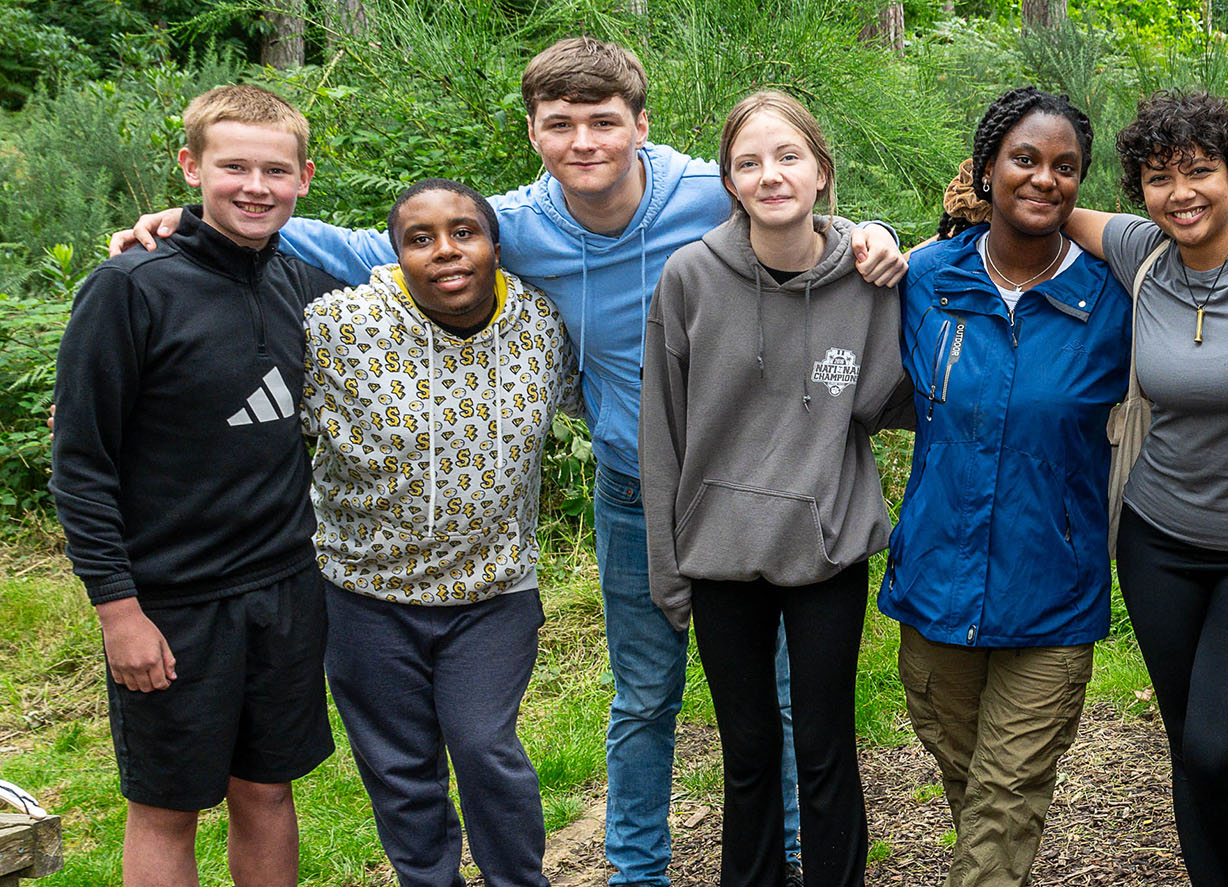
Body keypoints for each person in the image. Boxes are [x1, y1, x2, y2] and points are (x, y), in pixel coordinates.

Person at [111, 39, 905, 887]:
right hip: (640, 490)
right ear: (534, 134)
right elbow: (363, 244)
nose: (584, 141)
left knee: (790, 706)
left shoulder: (709, 188)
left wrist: (876, 234)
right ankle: (639, 870)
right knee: (645, 698)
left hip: (781, 492)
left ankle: (795, 856)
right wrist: (189, 224)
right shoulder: (512, 227)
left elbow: (800, 204)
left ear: (641, 125)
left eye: (604, 121)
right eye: (560, 124)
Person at [51, 84, 343, 887]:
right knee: (167, 805)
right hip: (172, 600)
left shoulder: (308, 288)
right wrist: (118, 612)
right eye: (234, 167)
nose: (257, 186)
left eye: (275, 170)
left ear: (304, 177)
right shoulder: (129, 289)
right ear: (191, 167)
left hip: (285, 588)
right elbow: (81, 463)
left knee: (266, 788)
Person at [1057, 87, 1228, 887]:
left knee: (1223, 747)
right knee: (1189, 740)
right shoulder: (1136, 250)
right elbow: (1042, 202)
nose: (1180, 193)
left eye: (1199, 171)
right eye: (1158, 176)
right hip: (1158, 542)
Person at [640, 89, 905, 887]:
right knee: (748, 748)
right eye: (748, 163)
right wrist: (669, 567)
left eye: (788, 157)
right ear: (729, 182)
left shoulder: (869, 274)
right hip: (720, 552)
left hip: (826, 547)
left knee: (826, 743)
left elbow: (888, 398)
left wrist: (891, 246)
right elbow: (663, 434)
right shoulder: (689, 277)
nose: (770, 175)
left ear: (823, 172)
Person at [881, 86, 1126, 887]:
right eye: (1025, 159)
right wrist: (864, 233)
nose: (1044, 178)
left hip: (1052, 593)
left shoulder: (1111, 298)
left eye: (1066, 166)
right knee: (979, 789)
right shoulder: (924, 278)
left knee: (1007, 790)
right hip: (935, 588)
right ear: (987, 168)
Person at [303, 178, 577, 887]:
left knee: (485, 746)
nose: (446, 251)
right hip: (364, 594)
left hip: (493, 590)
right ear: (398, 254)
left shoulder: (544, 324)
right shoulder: (337, 325)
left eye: (465, 231)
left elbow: (620, 386)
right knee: (401, 768)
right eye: (420, 239)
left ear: (494, 244)